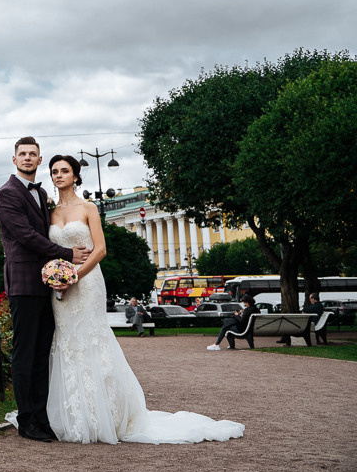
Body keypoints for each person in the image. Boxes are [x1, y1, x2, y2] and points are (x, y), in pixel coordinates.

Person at [38, 154, 244, 443]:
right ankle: (73, 413)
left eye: (65, 171)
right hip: (59, 289)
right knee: (68, 341)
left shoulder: (88, 207)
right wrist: (56, 277)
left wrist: (74, 277)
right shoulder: (48, 214)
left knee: (92, 338)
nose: (59, 175)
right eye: (54, 171)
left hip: (86, 284)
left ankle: (106, 414)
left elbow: (100, 250)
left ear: (75, 176)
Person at [0, 137, 91, 443]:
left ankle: (40, 417)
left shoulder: (41, 193)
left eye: (32, 154)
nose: (27, 158)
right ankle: (27, 421)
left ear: (39, 160)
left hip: (44, 284)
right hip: (23, 283)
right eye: (22, 154)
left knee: (41, 354)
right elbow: (25, 236)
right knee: (25, 354)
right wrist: (66, 256)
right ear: (14, 160)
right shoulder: (8, 193)